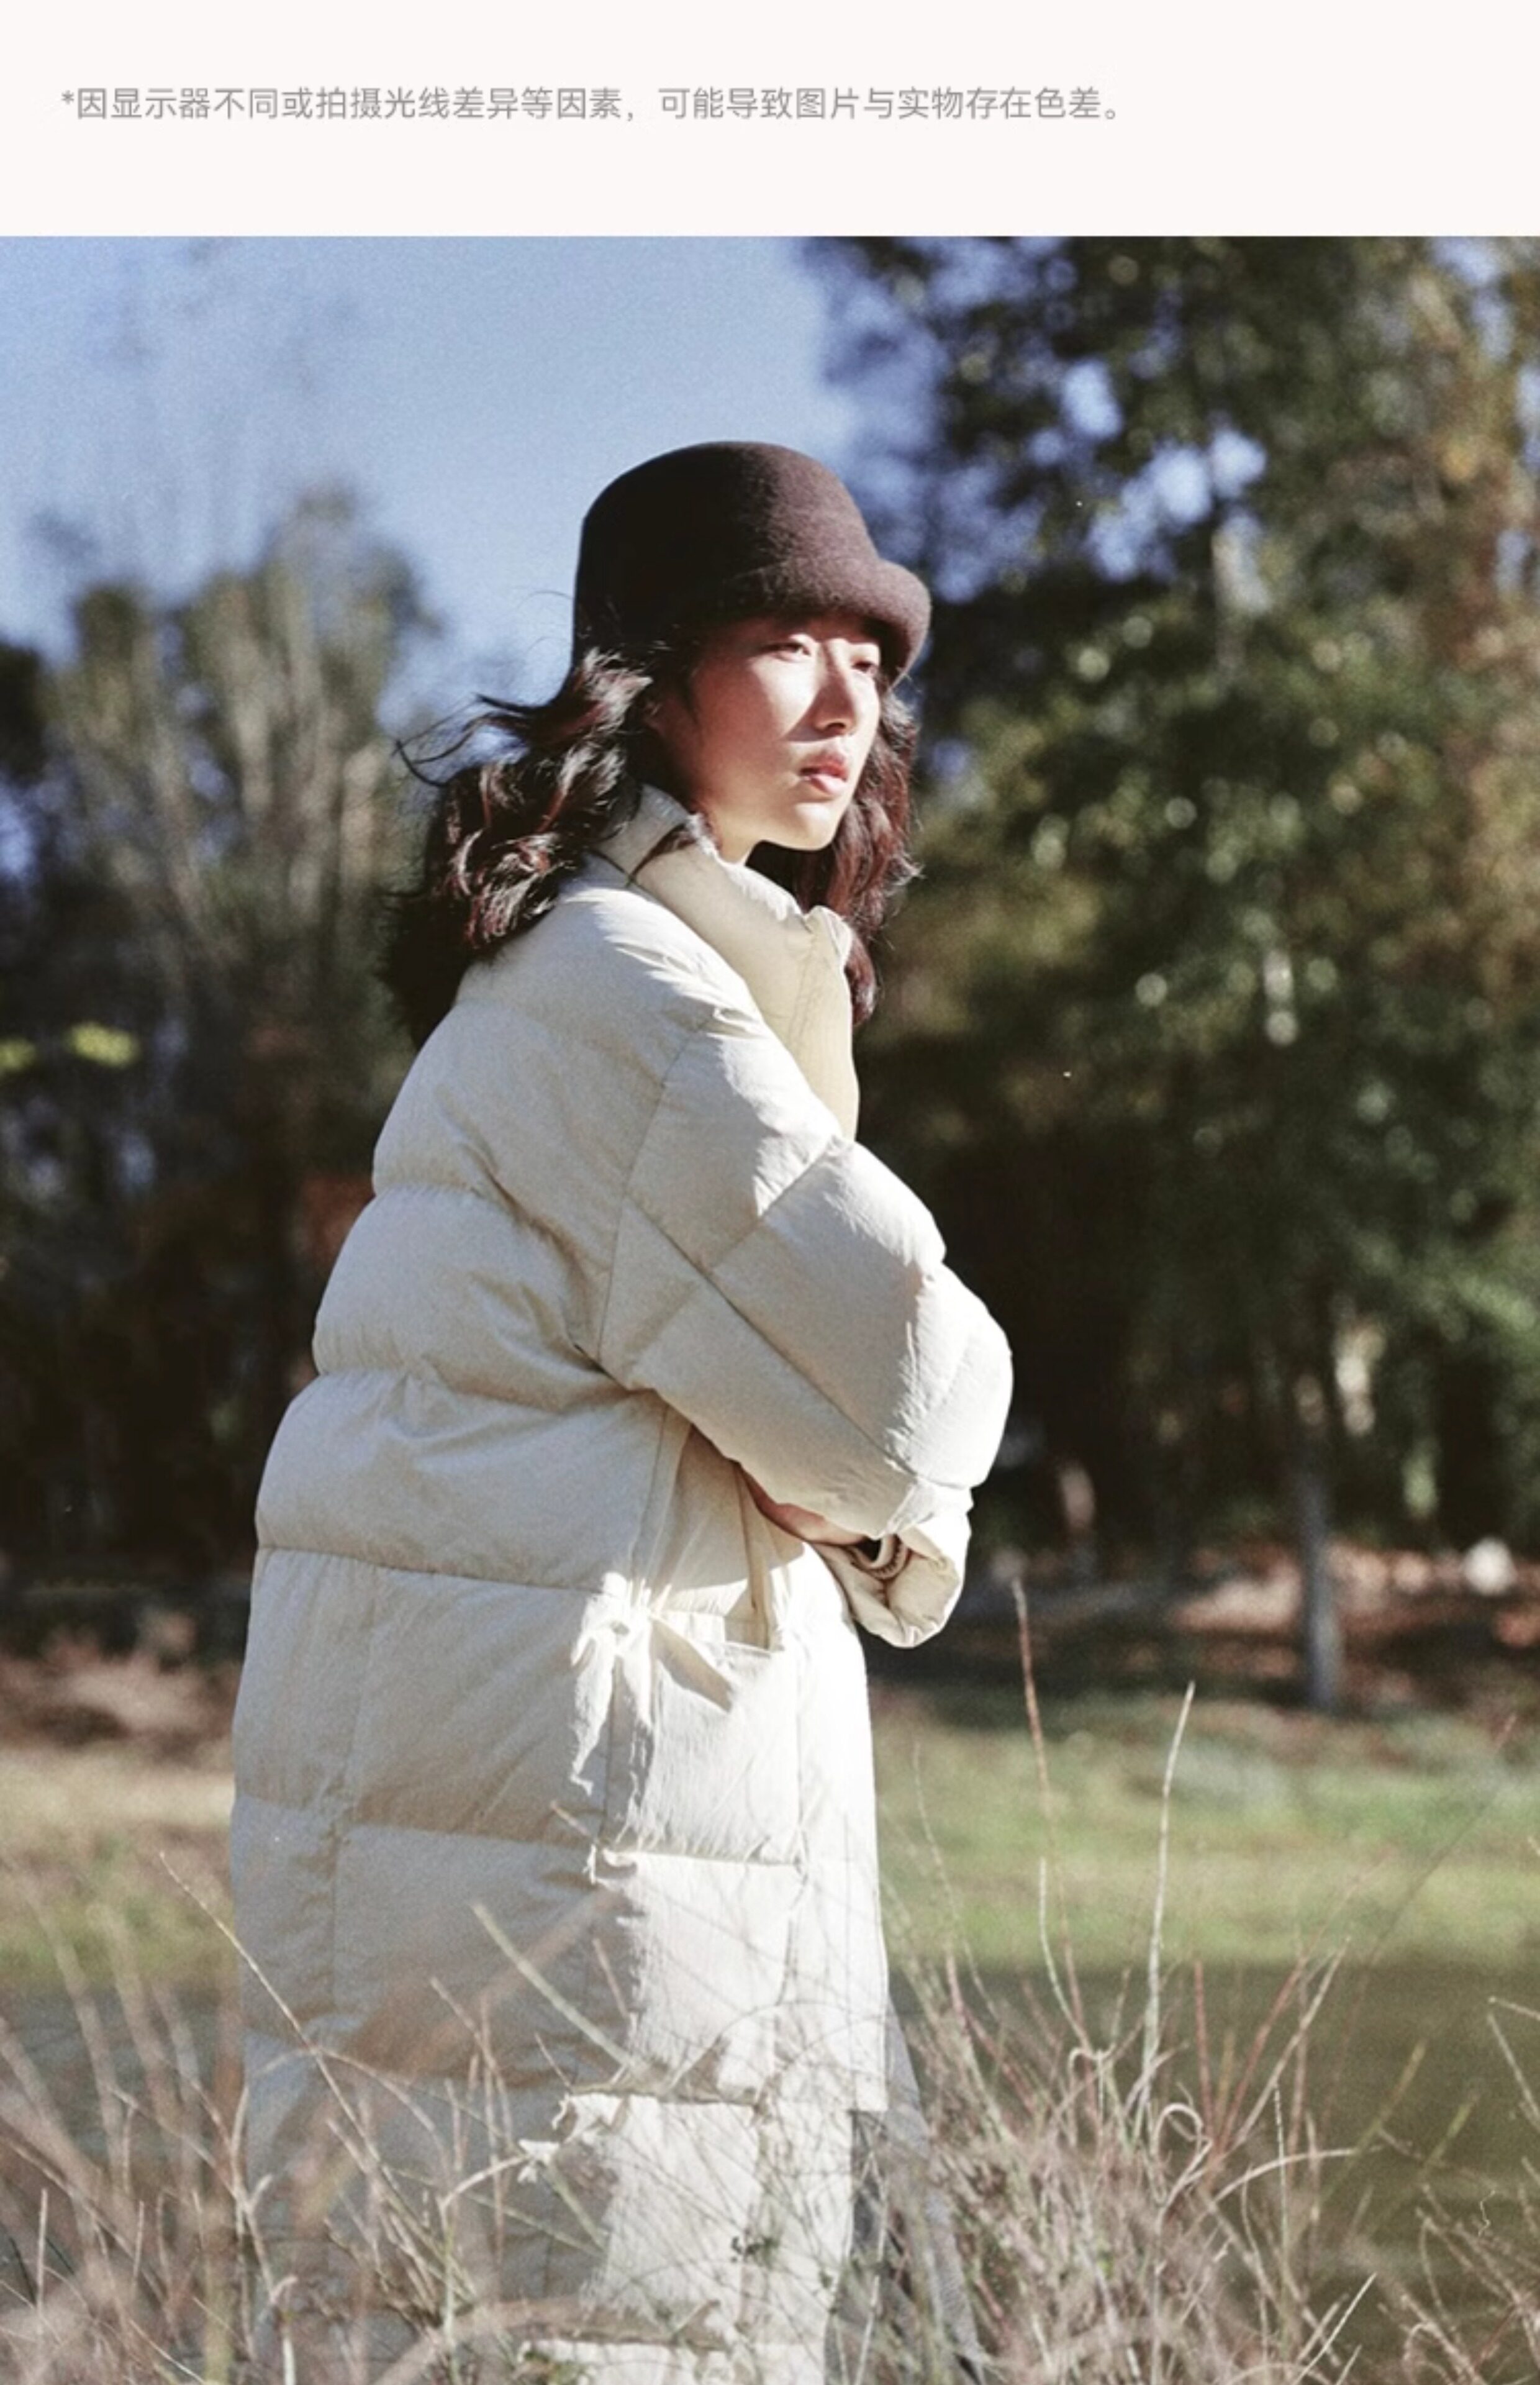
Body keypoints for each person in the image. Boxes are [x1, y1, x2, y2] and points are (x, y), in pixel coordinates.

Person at [230, 442, 1013, 2383]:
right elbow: (913, 1395)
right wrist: (862, 1503)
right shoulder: (626, 992)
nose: (845, 701)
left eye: (872, 659)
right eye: (787, 644)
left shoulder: (570, 974)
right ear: (653, 681)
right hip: (579, 1886)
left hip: (511, 1861)